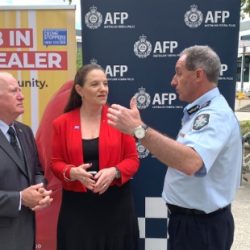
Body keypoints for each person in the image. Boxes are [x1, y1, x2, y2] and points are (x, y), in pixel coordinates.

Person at [107, 45, 242, 250]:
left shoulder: (214, 115)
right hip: (193, 224)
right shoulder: (203, 111)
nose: (173, 81)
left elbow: (191, 162)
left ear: (198, 75)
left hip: (200, 228)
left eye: (179, 73)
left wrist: (138, 130)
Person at [51, 64, 140, 250]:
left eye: (105, 83)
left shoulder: (120, 118)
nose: (103, 89)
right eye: (95, 84)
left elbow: (132, 160)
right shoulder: (62, 123)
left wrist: (115, 171)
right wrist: (71, 172)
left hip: (116, 207)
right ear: (79, 90)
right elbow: (55, 163)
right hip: (77, 209)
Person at [0, 72, 52, 250]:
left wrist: (40, 191)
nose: (22, 96)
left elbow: (37, 170)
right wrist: (21, 199)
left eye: (20, 90)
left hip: (25, 236)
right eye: (14, 91)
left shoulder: (25, 131)